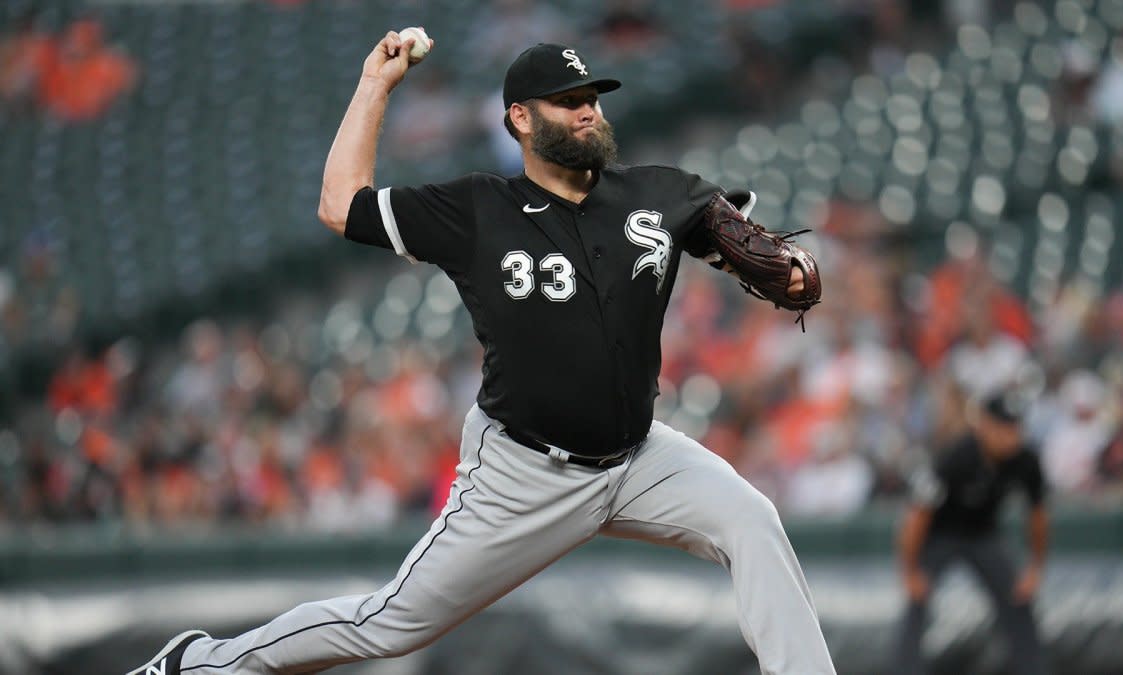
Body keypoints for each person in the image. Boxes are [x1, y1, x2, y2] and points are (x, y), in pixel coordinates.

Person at [127, 29, 833, 675]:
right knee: (391, 622)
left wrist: (787, 266)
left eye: (591, 98)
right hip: (525, 472)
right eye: (566, 102)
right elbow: (341, 204)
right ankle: (201, 664)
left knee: (752, 519)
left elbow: (745, 245)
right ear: (520, 119)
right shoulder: (475, 209)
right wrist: (376, 84)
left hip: (641, 455)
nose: (587, 112)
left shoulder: (659, 194)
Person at [893, 391, 1051, 675]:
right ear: (985, 425)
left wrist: (1035, 567)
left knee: (1018, 596)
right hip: (940, 534)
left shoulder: (1026, 460)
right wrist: (910, 571)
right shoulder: (956, 457)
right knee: (917, 599)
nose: (1010, 435)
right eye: (1003, 426)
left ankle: (1033, 668)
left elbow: (1038, 515)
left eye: (1015, 427)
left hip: (983, 534)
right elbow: (917, 514)